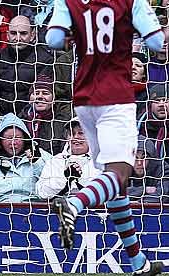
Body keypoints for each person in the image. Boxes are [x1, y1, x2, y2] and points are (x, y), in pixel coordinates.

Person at [46, 0, 165, 274]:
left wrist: (75, 34)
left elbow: (53, 39)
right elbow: (158, 43)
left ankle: (138, 263)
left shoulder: (69, 1)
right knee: (120, 174)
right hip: (117, 98)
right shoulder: (131, 1)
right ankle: (73, 205)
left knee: (114, 184)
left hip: (84, 98)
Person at [0, 15, 53, 115]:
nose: (18, 38)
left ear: (32, 35)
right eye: (13, 33)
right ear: (7, 35)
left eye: (23, 33)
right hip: (0, 116)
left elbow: (41, 96)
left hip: (31, 116)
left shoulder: (45, 60)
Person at [36, 118, 101, 199]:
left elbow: (105, 191)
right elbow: (43, 193)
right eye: (72, 134)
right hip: (60, 209)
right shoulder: (55, 161)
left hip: (94, 210)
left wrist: (79, 179)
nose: (76, 137)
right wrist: (65, 178)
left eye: (81, 133)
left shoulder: (101, 161)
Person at [18, 74, 69, 155]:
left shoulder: (64, 121)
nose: (40, 97)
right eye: (36, 93)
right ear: (29, 99)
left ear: (53, 99)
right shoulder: (19, 120)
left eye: (45, 93)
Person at [128, 135, 169, 203]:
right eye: (136, 157)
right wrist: (144, 190)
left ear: (151, 158)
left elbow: (162, 196)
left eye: (144, 157)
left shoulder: (163, 168)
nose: (139, 163)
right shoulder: (125, 168)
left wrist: (136, 202)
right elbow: (116, 194)